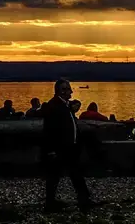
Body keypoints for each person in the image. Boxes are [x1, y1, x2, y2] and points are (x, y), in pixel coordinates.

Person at [39, 78, 95, 212]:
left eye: (68, 89)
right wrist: (51, 150)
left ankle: (83, 200)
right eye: (63, 89)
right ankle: (51, 204)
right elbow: (49, 130)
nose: (67, 92)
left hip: (69, 147)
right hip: (60, 148)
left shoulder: (65, 105)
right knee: (56, 176)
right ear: (58, 91)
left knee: (73, 175)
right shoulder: (54, 106)